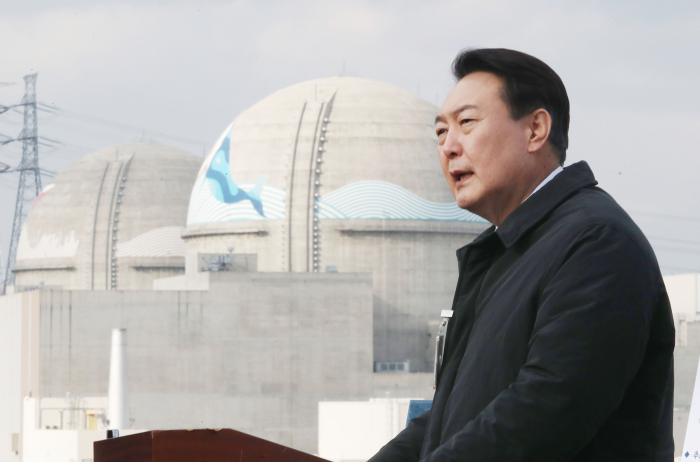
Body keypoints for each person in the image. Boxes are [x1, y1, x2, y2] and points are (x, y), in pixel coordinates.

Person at [368, 48, 675, 462]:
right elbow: (448, 420)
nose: (448, 146)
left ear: (535, 130)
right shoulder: (505, 253)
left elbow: (549, 407)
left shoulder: (596, 242)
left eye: (466, 123)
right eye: (440, 132)